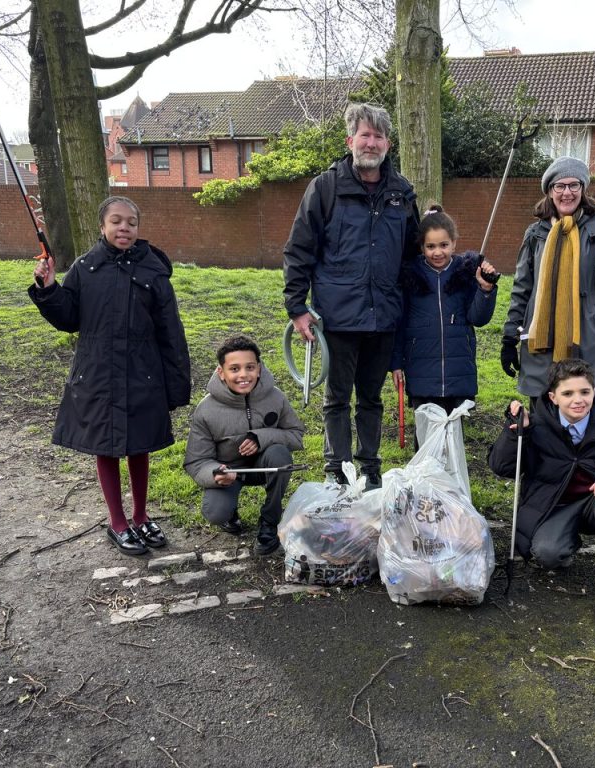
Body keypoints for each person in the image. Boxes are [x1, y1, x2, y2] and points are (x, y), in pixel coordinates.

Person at [29, 196, 191, 556]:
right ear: (102, 226)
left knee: (139, 444)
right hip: (98, 374)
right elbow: (69, 318)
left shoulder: (153, 270)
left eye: (131, 222)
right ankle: (117, 521)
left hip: (143, 373)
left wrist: (177, 381)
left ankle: (140, 515)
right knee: (107, 446)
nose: (124, 228)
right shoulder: (85, 268)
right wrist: (49, 288)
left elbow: (170, 330)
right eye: (116, 221)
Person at [283, 102, 419, 489]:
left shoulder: (401, 193)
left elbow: (412, 255)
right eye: (365, 135)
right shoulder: (326, 188)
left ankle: (370, 469)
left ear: (388, 144)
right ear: (350, 140)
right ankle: (337, 471)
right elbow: (299, 249)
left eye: (379, 136)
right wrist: (297, 307)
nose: (371, 143)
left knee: (371, 398)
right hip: (338, 317)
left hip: (384, 317)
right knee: (337, 398)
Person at [488, 359, 595, 619]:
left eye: (585, 392)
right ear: (553, 397)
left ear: (594, 392)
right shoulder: (536, 428)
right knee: (547, 554)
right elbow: (501, 467)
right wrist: (516, 433)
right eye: (568, 393)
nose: (578, 400)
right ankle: (567, 541)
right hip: (553, 507)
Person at [501, 156, 595, 398]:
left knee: (588, 411)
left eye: (574, 185)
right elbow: (522, 288)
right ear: (550, 191)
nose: (567, 193)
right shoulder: (536, 234)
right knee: (544, 412)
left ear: (583, 189)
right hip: (544, 339)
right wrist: (510, 336)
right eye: (559, 186)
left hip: (590, 338)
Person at [183, 334, 304, 557]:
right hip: (230, 472)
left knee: (280, 454)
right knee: (215, 512)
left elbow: (296, 435)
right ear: (221, 372)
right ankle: (229, 513)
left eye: (250, 367)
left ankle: (269, 522)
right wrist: (215, 473)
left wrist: (261, 437)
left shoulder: (276, 397)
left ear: (259, 368)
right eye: (234, 369)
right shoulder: (206, 410)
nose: (243, 375)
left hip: (264, 464)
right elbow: (196, 460)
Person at [390, 204, 499, 416]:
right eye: (430, 246)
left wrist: (485, 289)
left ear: (454, 243)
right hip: (421, 374)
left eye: (444, 245)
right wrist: (396, 363)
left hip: (459, 373)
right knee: (426, 433)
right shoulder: (410, 276)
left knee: (454, 433)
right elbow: (400, 324)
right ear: (422, 246)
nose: (438, 252)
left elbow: (478, 318)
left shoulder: (465, 272)